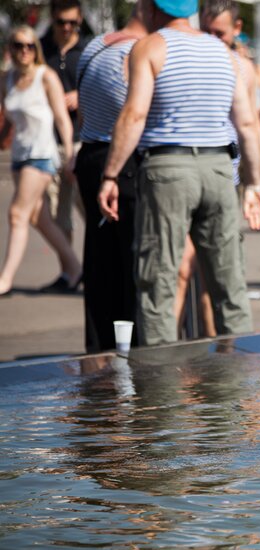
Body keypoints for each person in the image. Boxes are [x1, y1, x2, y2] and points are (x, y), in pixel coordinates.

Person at [97, 0, 260, 346]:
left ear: (150, 7)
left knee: (158, 276)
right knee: (228, 281)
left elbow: (134, 115)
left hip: (168, 168)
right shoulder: (224, 52)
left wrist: (110, 175)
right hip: (219, 169)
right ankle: (240, 381)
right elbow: (247, 122)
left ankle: (162, 386)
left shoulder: (150, 47)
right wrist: (255, 181)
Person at [74, 2, 147, 352]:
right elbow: (134, 113)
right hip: (122, 163)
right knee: (134, 265)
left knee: (99, 265)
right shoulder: (139, 50)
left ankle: (100, 355)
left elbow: (85, 109)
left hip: (89, 153)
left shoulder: (95, 45)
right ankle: (135, 356)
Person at [0, 26, 80, 297]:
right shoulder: (7, 79)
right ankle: (74, 267)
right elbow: (8, 122)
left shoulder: (46, 76)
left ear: (36, 49)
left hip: (42, 154)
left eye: (29, 45)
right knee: (39, 219)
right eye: (18, 45)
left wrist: (69, 156)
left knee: (17, 214)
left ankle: (5, 280)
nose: (24, 50)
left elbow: (61, 118)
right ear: (10, 49)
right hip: (20, 156)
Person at [40, 0, 88, 252]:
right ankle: (69, 271)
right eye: (61, 22)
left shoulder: (88, 49)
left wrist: (81, 95)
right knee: (58, 213)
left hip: (81, 140)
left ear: (80, 19)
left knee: (90, 208)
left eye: (73, 22)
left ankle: (98, 271)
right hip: (48, 142)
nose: (67, 27)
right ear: (52, 18)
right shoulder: (40, 49)